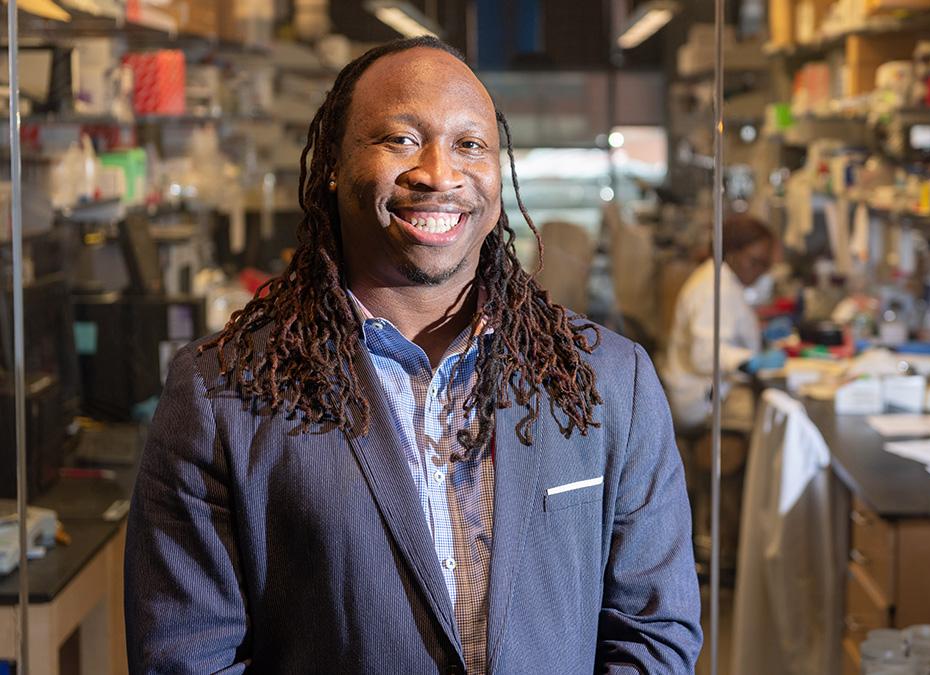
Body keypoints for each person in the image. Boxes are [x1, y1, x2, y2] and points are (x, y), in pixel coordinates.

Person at [124, 37, 701, 675]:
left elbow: (655, 631)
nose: (438, 173)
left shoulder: (608, 379)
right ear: (334, 165)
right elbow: (185, 658)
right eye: (399, 139)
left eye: (470, 145)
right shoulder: (223, 392)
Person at [660, 214, 780, 576]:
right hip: (699, 401)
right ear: (734, 252)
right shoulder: (714, 287)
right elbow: (704, 355)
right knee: (768, 429)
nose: (759, 272)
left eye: (765, 265)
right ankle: (735, 547)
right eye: (755, 262)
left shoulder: (721, 280)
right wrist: (751, 362)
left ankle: (739, 542)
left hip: (706, 392)